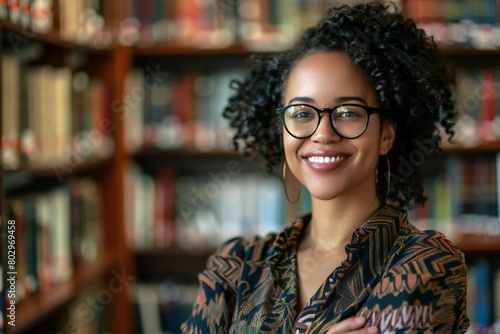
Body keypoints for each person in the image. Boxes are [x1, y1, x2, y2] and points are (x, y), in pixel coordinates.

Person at [181, 2, 469, 333]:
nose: (322, 134)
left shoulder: (423, 263)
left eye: (348, 112)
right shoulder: (236, 265)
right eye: (302, 113)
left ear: (386, 135)